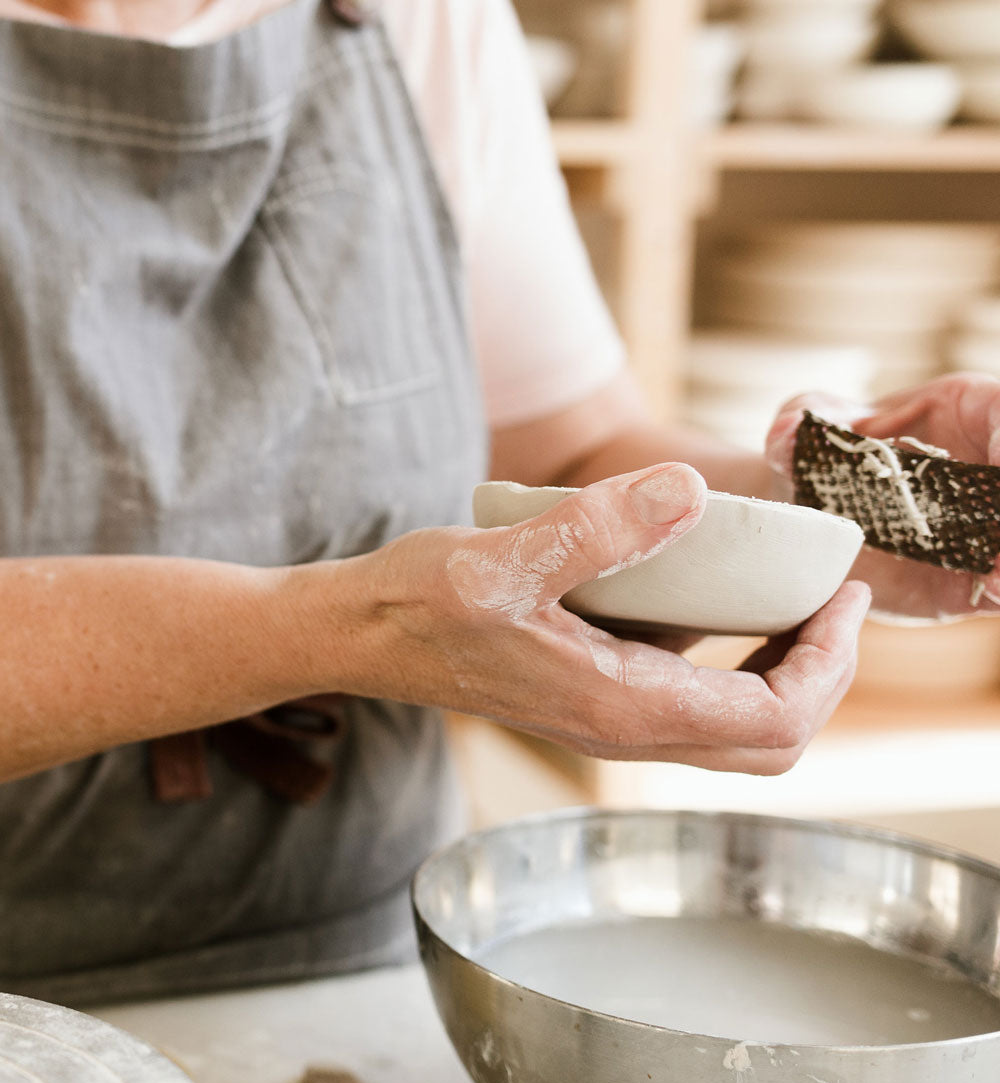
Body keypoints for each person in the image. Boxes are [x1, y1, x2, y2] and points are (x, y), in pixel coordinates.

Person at [0, 0, 994, 1005]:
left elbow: (572, 448)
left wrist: (849, 518)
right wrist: (343, 627)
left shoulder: (422, 20)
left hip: (366, 962)